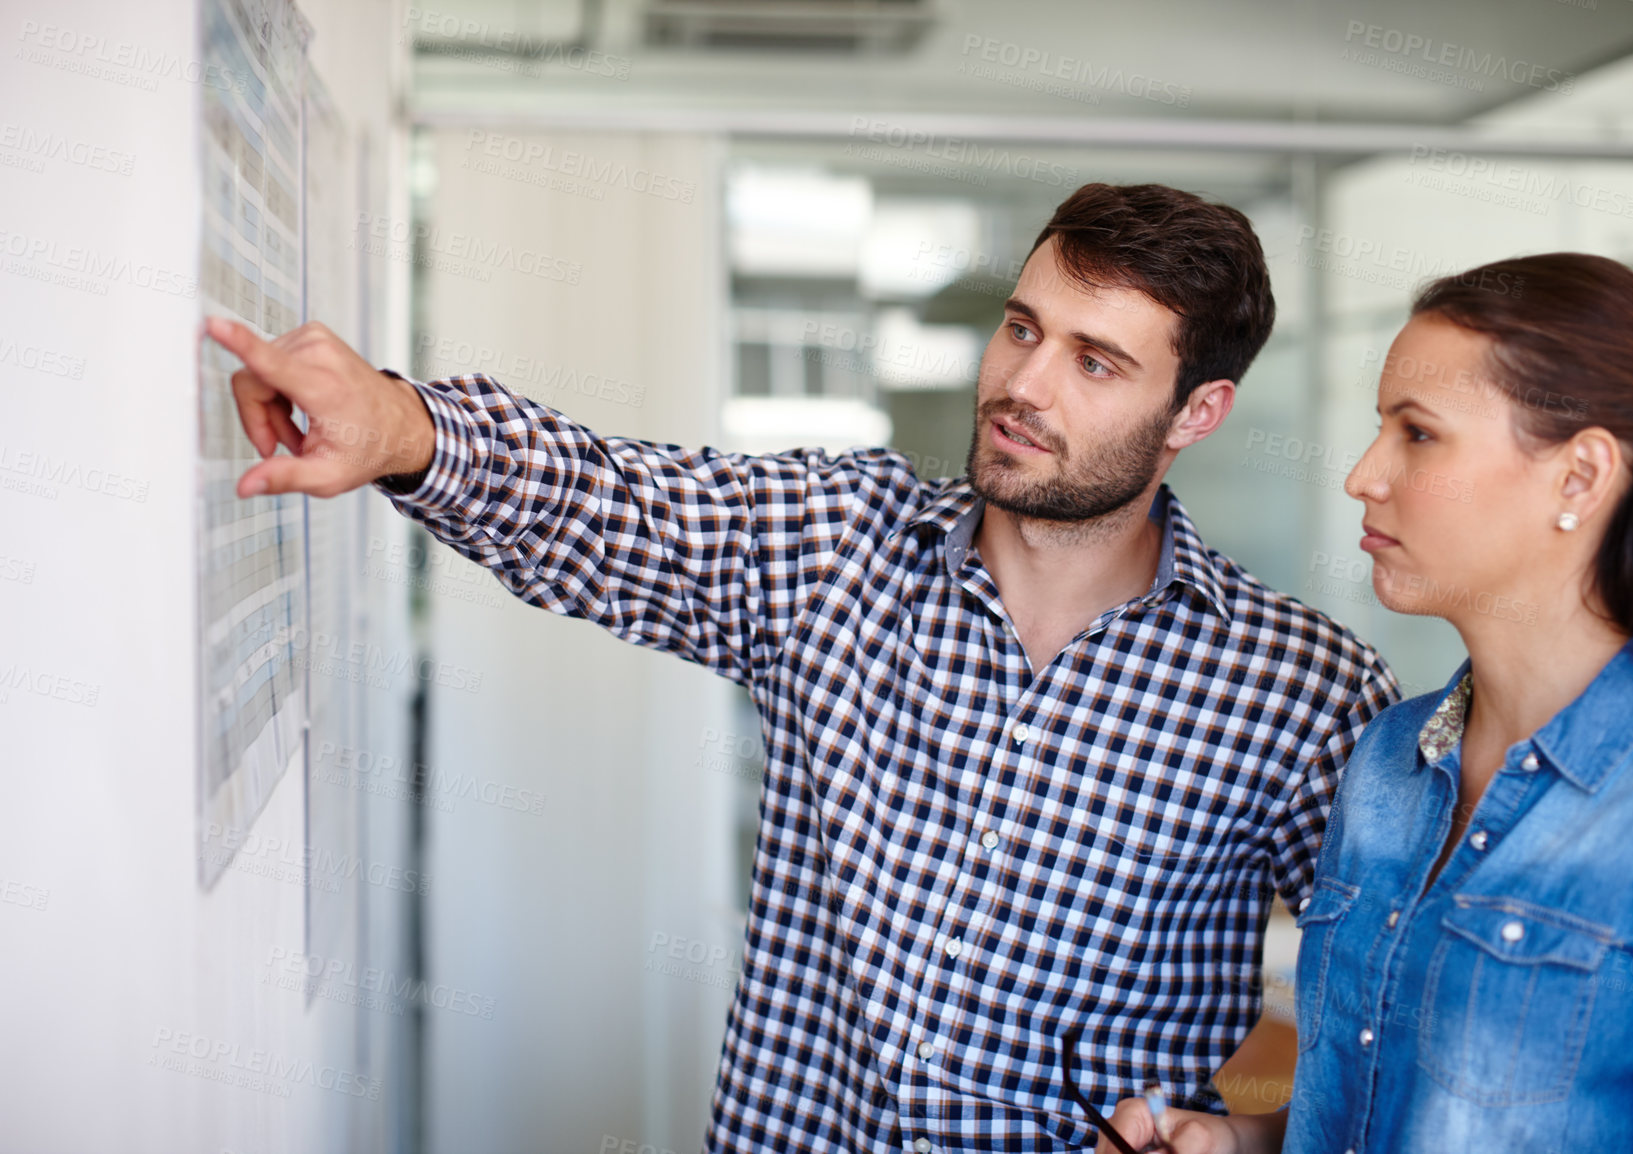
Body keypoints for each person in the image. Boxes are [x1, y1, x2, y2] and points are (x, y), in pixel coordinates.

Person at [208, 182, 1399, 1152]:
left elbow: (1401, 1015)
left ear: (1196, 413)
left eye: (1095, 362)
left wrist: (1248, 1142)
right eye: (1024, 327)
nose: (1023, 384)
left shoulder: (1300, 691)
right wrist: (402, 429)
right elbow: (610, 502)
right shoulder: (840, 545)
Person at [1098, 252, 1633, 1153]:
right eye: (1379, 429)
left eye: (1419, 434)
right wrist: (1240, 1143)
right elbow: (1380, 1111)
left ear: (1581, 477)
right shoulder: (1390, 758)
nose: (1363, 475)